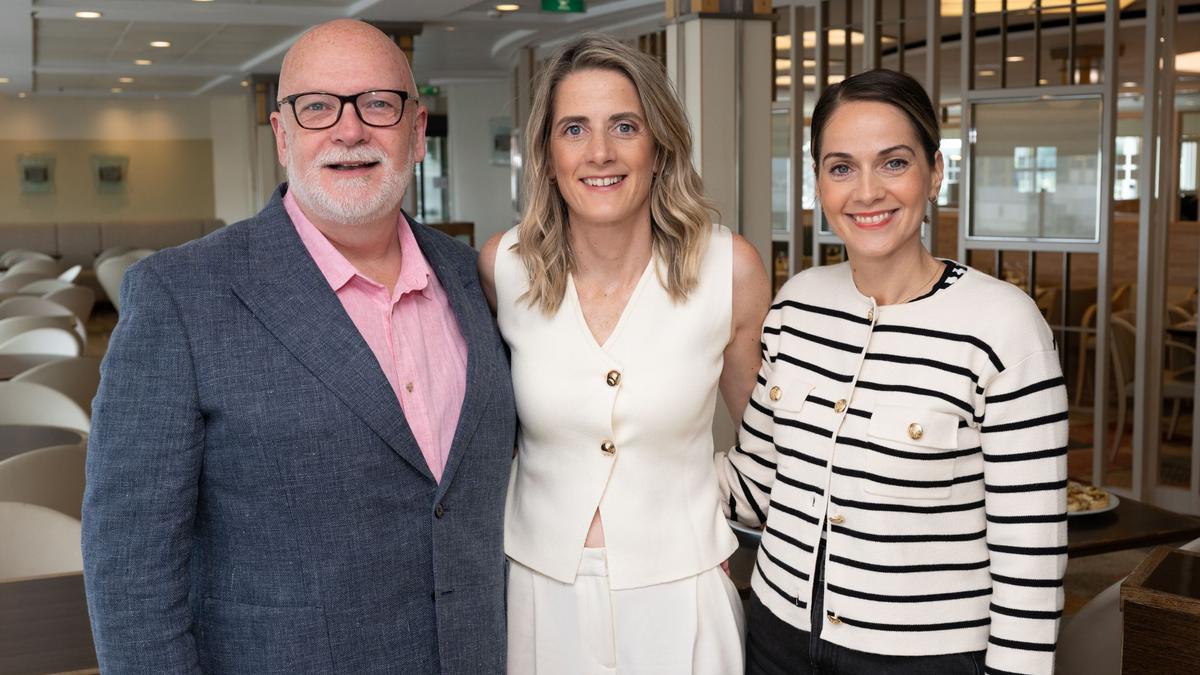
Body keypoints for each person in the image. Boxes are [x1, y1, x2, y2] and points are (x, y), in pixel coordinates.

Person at [82, 19, 515, 674]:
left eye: (379, 104)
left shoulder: (474, 278)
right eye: (317, 107)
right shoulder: (181, 296)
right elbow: (130, 572)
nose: (350, 130)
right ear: (283, 136)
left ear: (417, 131)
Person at [720, 68, 1068, 675]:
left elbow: (1030, 555)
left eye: (894, 163)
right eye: (841, 167)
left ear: (935, 173)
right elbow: (755, 485)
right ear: (819, 184)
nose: (867, 191)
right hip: (775, 637)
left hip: (923, 658)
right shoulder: (797, 304)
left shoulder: (1004, 326)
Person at [478, 34, 770, 674]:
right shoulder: (504, 268)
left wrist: (704, 514)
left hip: (683, 590)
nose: (600, 153)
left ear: (659, 146)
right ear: (546, 154)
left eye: (625, 126)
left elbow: (767, 439)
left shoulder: (729, 268)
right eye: (574, 129)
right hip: (537, 593)